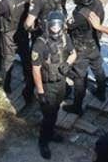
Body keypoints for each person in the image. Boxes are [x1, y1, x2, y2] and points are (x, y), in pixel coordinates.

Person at [32, 10, 76, 159]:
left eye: (58, 25)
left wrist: (67, 64)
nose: (55, 29)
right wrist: (40, 92)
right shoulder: (40, 44)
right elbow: (35, 69)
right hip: (47, 85)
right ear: (47, 25)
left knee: (55, 110)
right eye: (53, 25)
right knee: (48, 116)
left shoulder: (65, 38)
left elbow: (73, 53)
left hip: (61, 82)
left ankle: (50, 133)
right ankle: (43, 141)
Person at [64, 0, 108, 115]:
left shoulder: (80, 14)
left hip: (81, 47)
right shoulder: (98, 3)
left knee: (79, 77)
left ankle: (77, 106)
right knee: (98, 69)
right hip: (94, 42)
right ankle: (101, 93)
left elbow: (68, 26)